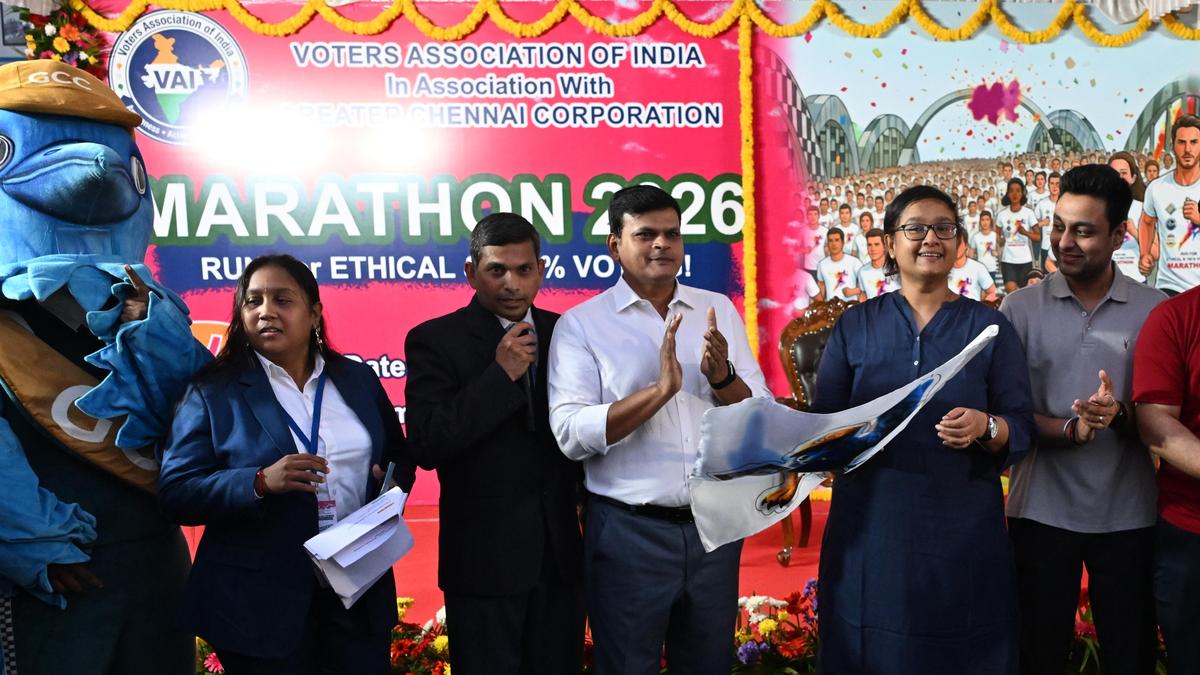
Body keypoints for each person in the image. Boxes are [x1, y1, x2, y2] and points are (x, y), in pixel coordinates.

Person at [548, 184, 770, 674]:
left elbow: (761, 416)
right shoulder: (582, 325)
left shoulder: (717, 309)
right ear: (615, 245)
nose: (662, 244)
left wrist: (723, 379)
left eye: (672, 234)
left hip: (713, 529)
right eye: (646, 234)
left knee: (708, 665)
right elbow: (570, 433)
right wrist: (659, 392)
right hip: (628, 534)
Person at [812, 185, 1034, 674]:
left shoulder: (989, 328)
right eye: (915, 228)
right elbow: (824, 422)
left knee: (964, 646)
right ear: (891, 244)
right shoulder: (856, 325)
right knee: (868, 644)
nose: (930, 238)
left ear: (959, 244)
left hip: (961, 526)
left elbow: (1020, 425)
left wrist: (985, 425)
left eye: (944, 228)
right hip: (871, 526)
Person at [159, 254, 415, 674]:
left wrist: (388, 487)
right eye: (253, 301)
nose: (266, 312)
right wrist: (258, 482)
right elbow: (176, 493)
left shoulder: (356, 379)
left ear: (314, 313)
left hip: (356, 590)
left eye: (282, 299)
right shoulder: (212, 391)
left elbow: (399, 456)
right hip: (259, 604)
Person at [404, 213, 584, 674]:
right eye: (496, 270)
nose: (511, 283)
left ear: (541, 270)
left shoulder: (568, 331)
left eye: (523, 270)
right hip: (483, 562)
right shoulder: (434, 340)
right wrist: (499, 376)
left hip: (560, 558)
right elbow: (426, 444)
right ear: (471, 272)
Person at [1002, 165, 1164, 675]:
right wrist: (1069, 429)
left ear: (1119, 236)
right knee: (1037, 653)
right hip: (1039, 512)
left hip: (1129, 514)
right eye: (1058, 226)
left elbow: (1168, 418)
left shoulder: (1154, 310)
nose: (1064, 242)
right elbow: (1006, 416)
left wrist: (1121, 415)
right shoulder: (1018, 309)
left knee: (1130, 654)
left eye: (1083, 230)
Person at [1139, 115, 1200, 295]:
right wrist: (1144, 253)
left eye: (1194, 142)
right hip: (1169, 287)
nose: (1187, 149)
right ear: (1173, 146)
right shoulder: (1157, 188)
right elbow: (1147, 222)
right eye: (1181, 142)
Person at [998, 178, 1039, 294]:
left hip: (1025, 260)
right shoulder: (1002, 215)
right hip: (1008, 260)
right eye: (1011, 191)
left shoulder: (1029, 213)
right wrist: (1000, 240)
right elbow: (997, 237)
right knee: (1010, 290)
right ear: (1007, 193)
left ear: (1022, 193)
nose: (1015, 194)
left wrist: (1025, 233)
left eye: (1018, 190)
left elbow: (1038, 237)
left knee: (1024, 293)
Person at [816, 228, 863, 302]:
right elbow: (821, 285)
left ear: (843, 243)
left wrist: (853, 291)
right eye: (830, 241)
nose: (833, 244)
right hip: (831, 306)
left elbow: (866, 286)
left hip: (851, 306)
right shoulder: (822, 265)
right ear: (827, 244)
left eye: (837, 240)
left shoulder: (855, 262)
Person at [857, 228, 899, 301]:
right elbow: (863, 297)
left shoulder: (897, 268)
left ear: (885, 246)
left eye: (876, 244)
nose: (872, 249)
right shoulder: (862, 272)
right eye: (869, 245)